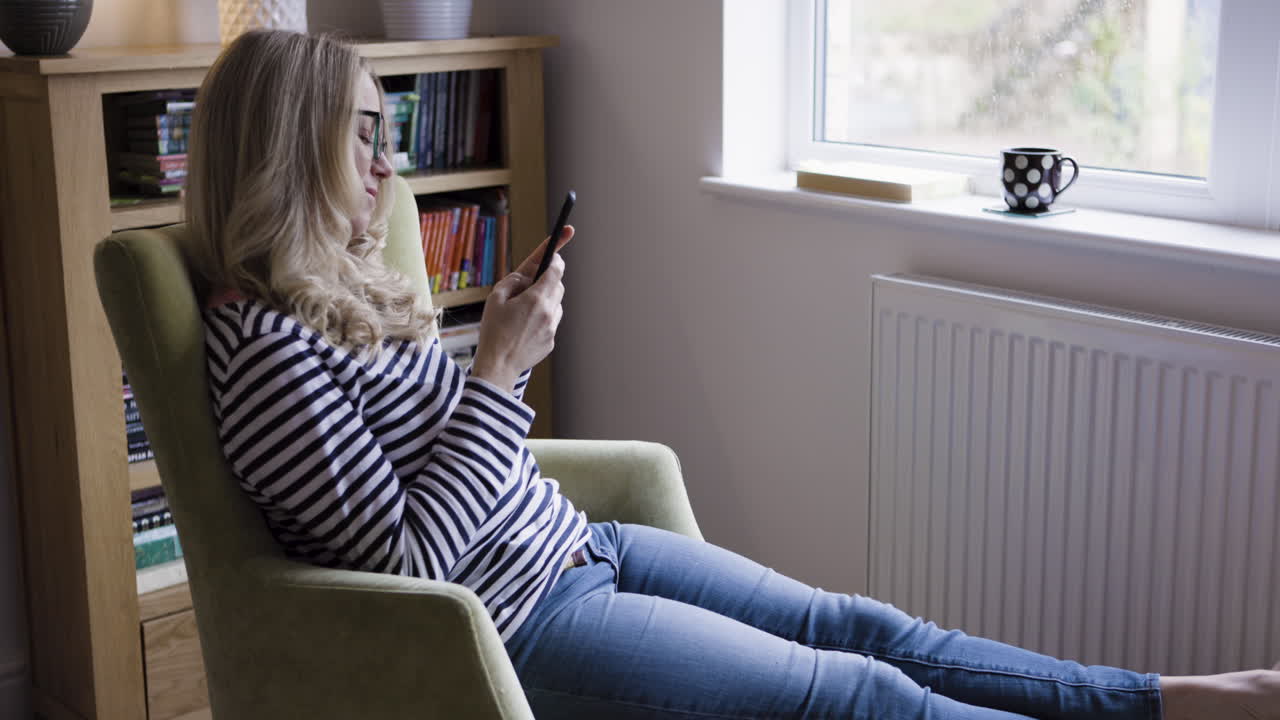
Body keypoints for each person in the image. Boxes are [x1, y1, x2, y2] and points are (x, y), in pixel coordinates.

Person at [180, 29, 1279, 720]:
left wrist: (490, 367)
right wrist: (499, 373)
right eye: (364, 135)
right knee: (863, 696)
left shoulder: (350, 294)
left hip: (576, 544)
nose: (389, 162)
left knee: (872, 627)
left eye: (392, 134)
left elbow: (445, 473)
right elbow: (407, 567)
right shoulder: (263, 352)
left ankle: (1172, 700)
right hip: (514, 619)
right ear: (290, 146)